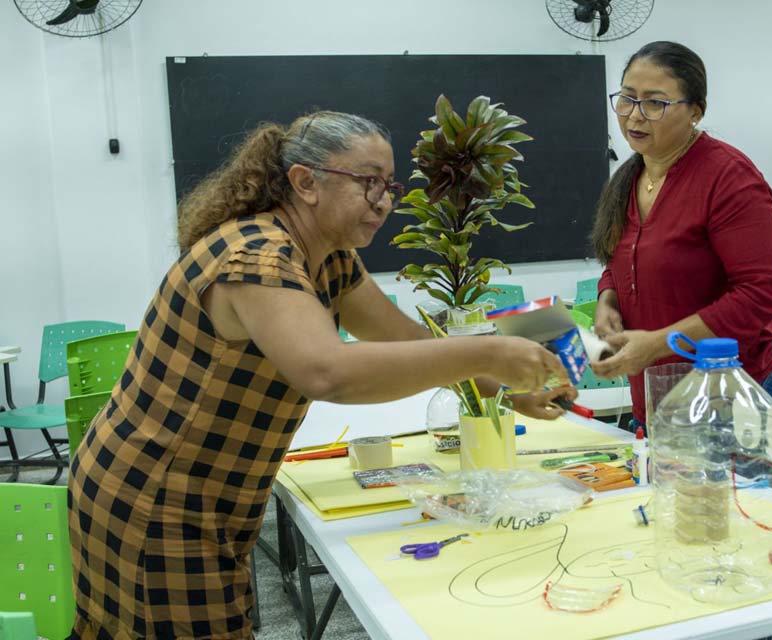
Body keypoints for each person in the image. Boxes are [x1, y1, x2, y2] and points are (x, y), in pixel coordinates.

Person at [67, 111, 576, 639]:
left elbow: (402, 338)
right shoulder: (256, 255)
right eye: (368, 182)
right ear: (306, 182)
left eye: (390, 185)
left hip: (209, 494)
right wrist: (484, 355)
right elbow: (327, 373)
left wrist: (503, 394)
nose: (383, 201)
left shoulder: (330, 258)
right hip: (157, 496)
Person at [588, 41, 772, 428]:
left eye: (655, 103)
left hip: (730, 398)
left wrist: (659, 343)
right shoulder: (629, 179)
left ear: (695, 111)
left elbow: (761, 294)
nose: (634, 115)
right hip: (657, 396)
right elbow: (621, 262)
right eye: (627, 98)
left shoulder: (728, 177)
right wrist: (607, 300)